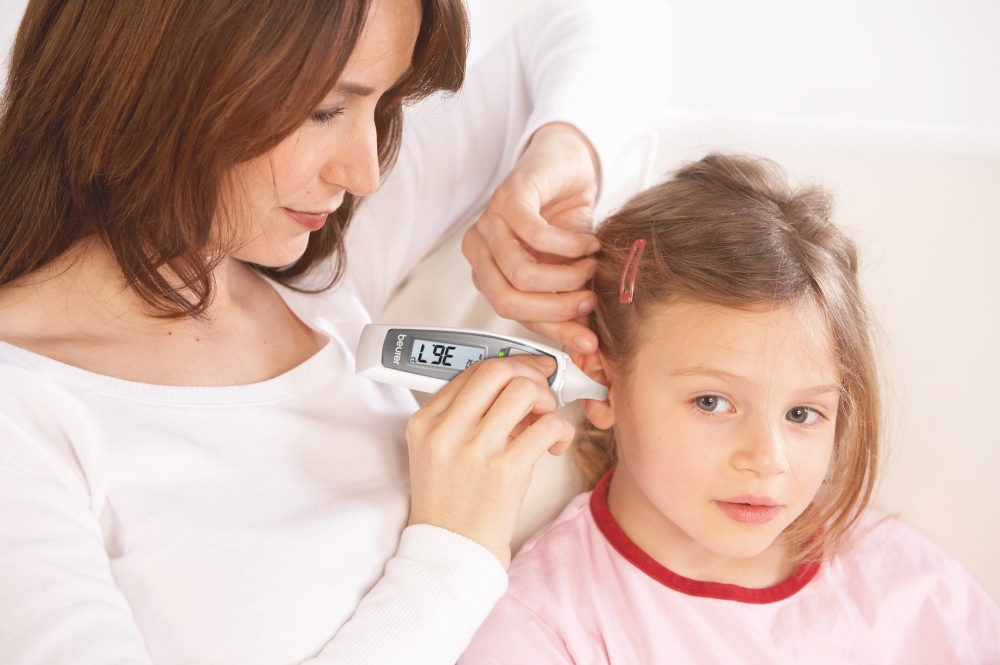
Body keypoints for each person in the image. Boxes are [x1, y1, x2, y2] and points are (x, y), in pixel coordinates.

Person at [0, 0, 670, 663]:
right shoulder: (24, 415)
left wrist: (554, 160)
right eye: (324, 111)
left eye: (381, 104)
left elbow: (605, 25)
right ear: (160, 75)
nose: (364, 174)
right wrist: (453, 553)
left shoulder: (310, 271)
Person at [460, 154, 1000, 663]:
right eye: (712, 402)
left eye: (801, 414)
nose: (767, 460)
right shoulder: (544, 624)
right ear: (602, 383)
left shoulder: (915, 592)